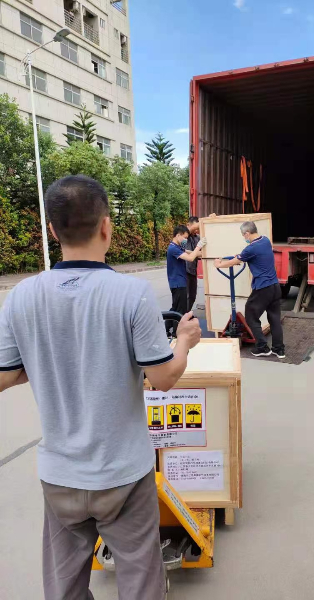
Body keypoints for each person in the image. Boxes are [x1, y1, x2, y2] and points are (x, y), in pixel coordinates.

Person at [0, 175, 201, 600]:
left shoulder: (21, 296)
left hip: (60, 474)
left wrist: (42, 361)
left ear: (52, 230)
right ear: (106, 226)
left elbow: (4, 376)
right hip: (123, 473)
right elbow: (163, 378)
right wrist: (184, 341)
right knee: (140, 579)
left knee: (64, 584)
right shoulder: (132, 293)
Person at [214, 221, 285, 359]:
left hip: (263, 288)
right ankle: (279, 349)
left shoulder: (250, 249)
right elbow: (248, 256)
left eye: (243, 235)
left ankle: (262, 347)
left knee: (251, 316)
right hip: (275, 287)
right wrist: (240, 256)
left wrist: (219, 264)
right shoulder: (265, 240)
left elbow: (235, 261)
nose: (244, 238)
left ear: (247, 233)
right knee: (275, 318)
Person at [166, 224, 206, 316]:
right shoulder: (173, 248)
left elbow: (191, 253)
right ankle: (175, 325)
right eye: (185, 238)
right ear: (178, 235)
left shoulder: (178, 247)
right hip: (178, 283)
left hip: (179, 282)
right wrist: (198, 246)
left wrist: (203, 253)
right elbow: (191, 258)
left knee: (176, 308)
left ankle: (167, 324)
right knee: (180, 310)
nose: (186, 240)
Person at [185, 216, 200, 311]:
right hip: (184, 271)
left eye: (198, 229)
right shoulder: (183, 236)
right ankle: (180, 317)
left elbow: (202, 253)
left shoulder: (197, 238)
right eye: (195, 228)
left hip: (193, 271)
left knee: (192, 296)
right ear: (188, 225)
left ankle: (186, 314)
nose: (196, 230)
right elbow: (185, 252)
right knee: (185, 297)